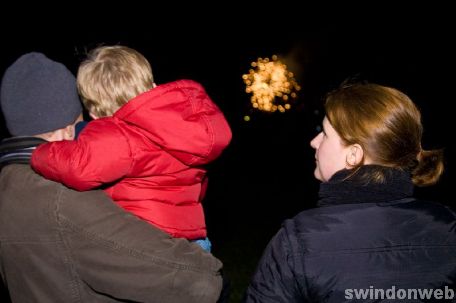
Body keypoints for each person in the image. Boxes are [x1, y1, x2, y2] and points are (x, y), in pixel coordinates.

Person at [0, 52, 224, 302]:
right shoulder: (65, 201)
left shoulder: (9, 186)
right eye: (81, 122)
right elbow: (197, 283)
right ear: (65, 130)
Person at [244, 81, 456, 302]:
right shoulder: (448, 226)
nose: (314, 142)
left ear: (354, 155)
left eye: (324, 134)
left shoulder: (298, 241)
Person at [30, 45, 232, 252]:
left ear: (94, 113)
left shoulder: (120, 135)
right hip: (194, 241)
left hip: (148, 242)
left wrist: (39, 151)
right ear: (153, 85)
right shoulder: (185, 124)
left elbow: (78, 167)